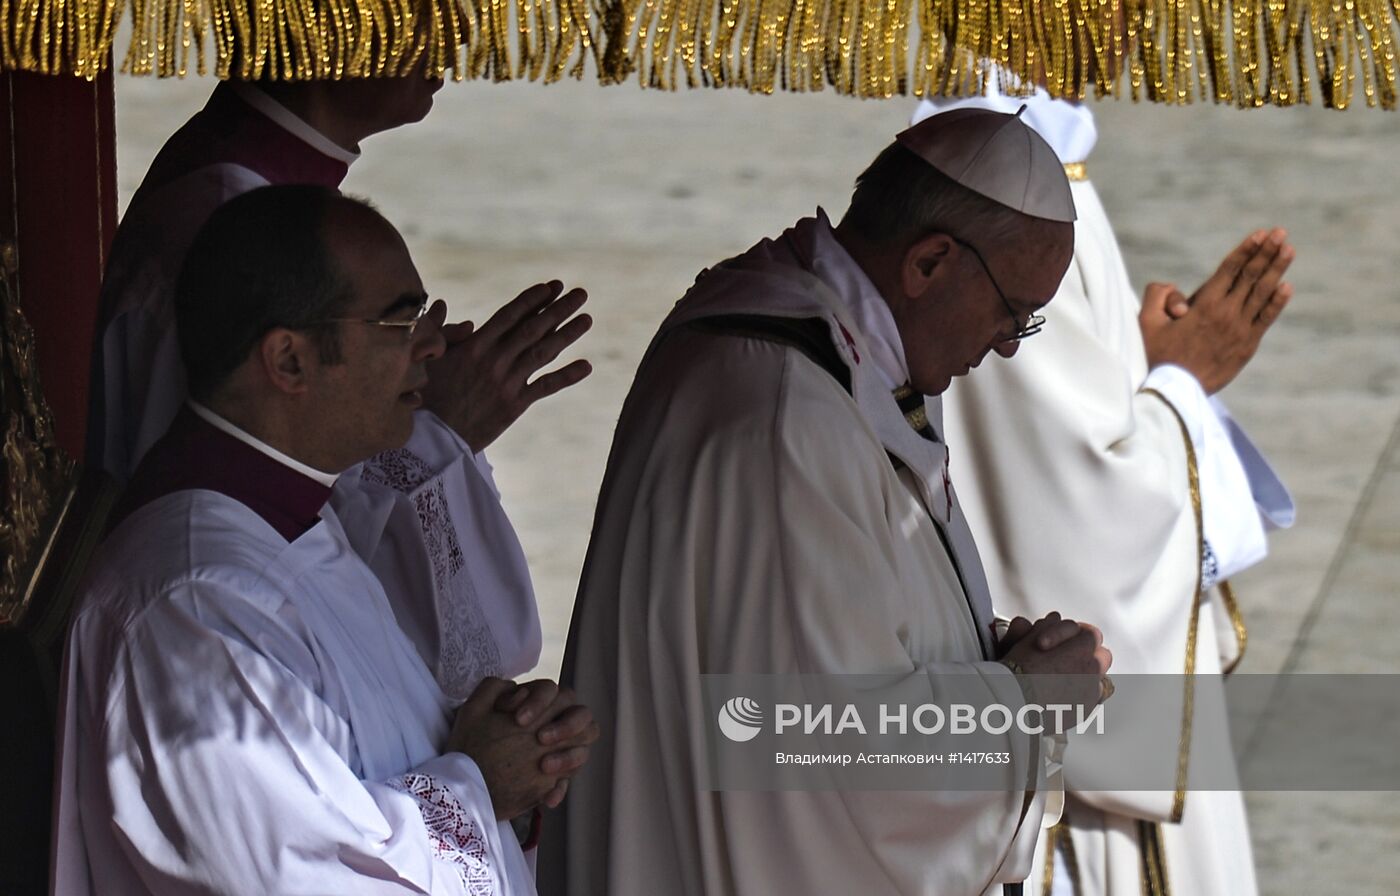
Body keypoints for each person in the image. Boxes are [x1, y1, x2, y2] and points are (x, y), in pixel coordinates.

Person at [538, 109, 1114, 896]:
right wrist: (1023, 703)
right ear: (931, 262)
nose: (1011, 343)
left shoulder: (841, 355)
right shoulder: (784, 413)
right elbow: (837, 762)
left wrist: (984, 656)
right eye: (1012, 312)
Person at [54, 186, 599, 895]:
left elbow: (373, 759)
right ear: (289, 362)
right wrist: (480, 786)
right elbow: (307, 878)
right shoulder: (195, 604)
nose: (434, 345)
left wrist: (517, 759)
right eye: (400, 323)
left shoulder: (297, 518)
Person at [91, 75, 593, 702]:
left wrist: (394, 378)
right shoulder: (230, 218)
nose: (455, 32)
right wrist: (434, 432)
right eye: (425, 7)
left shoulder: (245, 187)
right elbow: (448, 653)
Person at [913, 85, 1295, 896]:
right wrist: (1185, 382)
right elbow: (1080, 530)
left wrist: (1142, 361)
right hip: (1068, 787)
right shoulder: (994, 172)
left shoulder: (1051, 151)